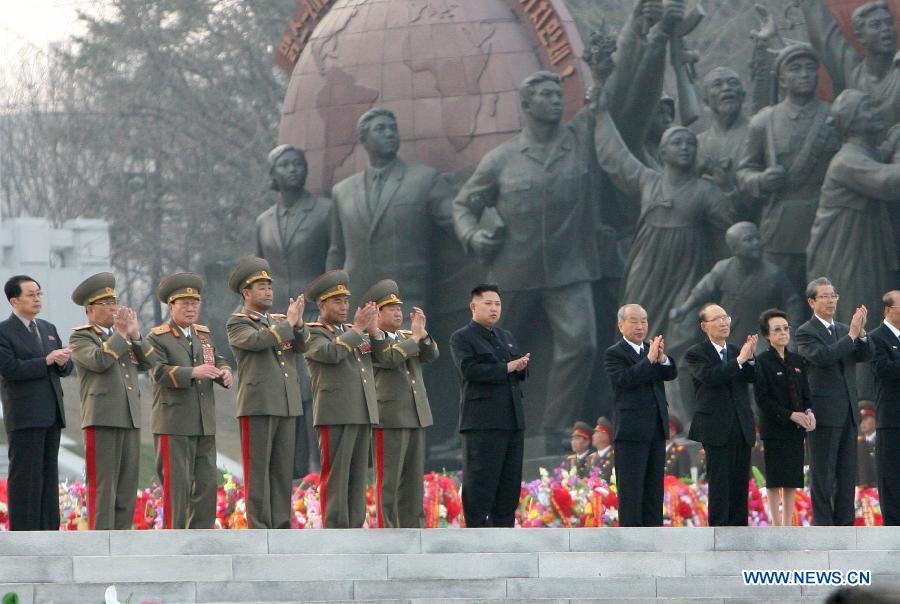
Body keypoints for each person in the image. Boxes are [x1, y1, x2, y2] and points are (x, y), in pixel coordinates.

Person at [737, 44, 840, 297]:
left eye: (810, 68)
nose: (804, 74)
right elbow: (744, 171)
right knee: (780, 298)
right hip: (779, 227)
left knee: (825, 299)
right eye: (795, 69)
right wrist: (761, 180)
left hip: (824, 221)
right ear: (782, 79)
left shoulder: (834, 116)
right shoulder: (764, 121)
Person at [255, 143, 331, 477]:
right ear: (273, 175)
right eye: (284, 165)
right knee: (287, 395)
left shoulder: (325, 211)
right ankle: (294, 473)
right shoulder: (264, 221)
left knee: (314, 393)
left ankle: (321, 469)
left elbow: (335, 259)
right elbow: (261, 272)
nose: (293, 169)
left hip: (314, 315)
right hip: (279, 321)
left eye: (298, 164)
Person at [326, 108, 452, 310]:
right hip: (357, 302)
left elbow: (457, 222)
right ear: (364, 139)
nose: (390, 133)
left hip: (407, 297)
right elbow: (337, 251)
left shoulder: (424, 180)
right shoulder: (342, 191)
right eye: (381, 129)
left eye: (393, 129)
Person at [226, 256, 308, 529]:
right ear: (246, 293)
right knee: (258, 469)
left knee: (282, 469)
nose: (268, 291)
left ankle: (281, 523)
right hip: (258, 404)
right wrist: (287, 324)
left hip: (285, 402)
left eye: (269, 286)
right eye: (260, 287)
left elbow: (301, 346)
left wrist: (297, 324)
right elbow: (258, 341)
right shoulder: (238, 322)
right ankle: (258, 525)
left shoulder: (278, 320)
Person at [146, 273, 233, 529]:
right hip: (174, 423)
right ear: (171, 306)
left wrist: (224, 371)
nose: (191, 308)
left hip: (203, 421)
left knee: (206, 484)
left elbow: (215, 360)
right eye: (184, 303)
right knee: (177, 486)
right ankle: (175, 538)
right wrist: (192, 373)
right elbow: (158, 372)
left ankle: (201, 536)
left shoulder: (203, 334)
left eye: (194, 303)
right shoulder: (157, 337)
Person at [303, 269, 387, 528]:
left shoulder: (354, 331)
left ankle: (354, 523)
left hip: (362, 410)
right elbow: (330, 354)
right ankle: (336, 525)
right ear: (321, 304)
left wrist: (374, 333)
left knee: (357, 473)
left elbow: (382, 359)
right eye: (337, 301)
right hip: (335, 411)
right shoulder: (313, 331)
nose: (344, 306)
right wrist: (359, 329)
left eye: (346, 301)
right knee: (337, 472)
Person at [70, 272, 152, 530]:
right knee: (104, 484)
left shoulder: (123, 337)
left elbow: (148, 363)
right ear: (89, 308)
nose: (112, 308)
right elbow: (100, 361)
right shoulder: (81, 337)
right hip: (102, 416)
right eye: (105, 304)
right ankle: (101, 538)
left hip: (129, 415)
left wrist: (135, 335)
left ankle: (121, 537)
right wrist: (120, 334)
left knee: (127, 484)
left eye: (113, 302)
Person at [450, 284, 529, 527]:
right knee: (481, 480)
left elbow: (517, 373)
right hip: (482, 422)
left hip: (512, 419)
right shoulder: (462, 337)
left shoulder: (506, 336)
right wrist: (507, 367)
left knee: (509, 482)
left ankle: (504, 531)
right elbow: (470, 370)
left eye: (497, 304)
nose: (494, 309)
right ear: (474, 306)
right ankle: (478, 532)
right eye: (488, 303)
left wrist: (521, 366)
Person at [795, 277, 872, 526]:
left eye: (833, 296)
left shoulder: (841, 329)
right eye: (825, 296)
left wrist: (860, 335)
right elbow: (823, 357)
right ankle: (824, 527)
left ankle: (845, 525)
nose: (831, 301)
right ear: (812, 301)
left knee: (847, 473)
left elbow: (864, 354)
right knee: (823, 474)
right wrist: (851, 335)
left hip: (849, 411)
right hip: (824, 413)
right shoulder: (806, 332)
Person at [0, 275, 73, 530]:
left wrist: (64, 361)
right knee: (26, 477)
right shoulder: (4, 331)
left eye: (39, 293)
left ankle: (49, 529)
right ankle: (25, 531)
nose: (37, 298)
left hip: (51, 412)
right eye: (30, 294)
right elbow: (10, 369)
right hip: (25, 415)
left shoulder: (48, 328)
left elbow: (64, 367)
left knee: (48, 475)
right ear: (14, 300)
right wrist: (47, 361)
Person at [363, 279, 438, 528]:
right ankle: (388, 527)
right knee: (389, 479)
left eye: (399, 308)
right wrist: (414, 340)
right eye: (391, 309)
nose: (398, 313)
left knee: (413, 478)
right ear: (378, 313)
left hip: (416, 414)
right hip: (390, 416)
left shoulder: (408, 336)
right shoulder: (373, 338)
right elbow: (388, 358)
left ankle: (413, 527)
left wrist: (423, 335)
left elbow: (431, 354)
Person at [670, 222, 806, 347]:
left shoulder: (774, 274)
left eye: (757, 238)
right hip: (730, 333)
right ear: (734, 248)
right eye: (748, 240)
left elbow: (793, 303)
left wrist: (791, 334)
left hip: (761, 336)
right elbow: (701, 292)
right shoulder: (722, 269)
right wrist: (683, 309)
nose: (756, 243)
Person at [604, 303, 677, 526]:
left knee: (654, 489)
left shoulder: (650, 349)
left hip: (656, 428)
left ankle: (654, 535)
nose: (640, 326)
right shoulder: (614, 353)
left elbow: (671, 372)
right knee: (631, 490)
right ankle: (632, 540)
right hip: (631, 431)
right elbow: (625, 380)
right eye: (634, 321)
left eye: (643, 321)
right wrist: (648, 360)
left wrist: (662, 358)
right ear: (621, 325)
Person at [686, 303, 757, 526]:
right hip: (716, 427)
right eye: (717, 319)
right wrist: (739, 361)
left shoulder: (737, 350)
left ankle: (739, 533)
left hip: (741, 425)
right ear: (704, 326)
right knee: (720, 483)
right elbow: (710, 378)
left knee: (739, 483)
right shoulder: (697, 353)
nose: (724, 322)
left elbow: (752, 378)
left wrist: (751, 359)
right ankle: (719, 532)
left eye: (725, 317)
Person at [753, 308, 816, 526]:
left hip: (796, 430)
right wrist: (790, 415)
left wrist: (809, 413)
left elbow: (806, 394)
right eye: (776, 330)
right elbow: (763, 399)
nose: (782, 333)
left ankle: (788, 523)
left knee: (792, 478)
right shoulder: (762, 361)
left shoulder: (797, 360)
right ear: (767, 335)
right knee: (775, 479)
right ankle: (776, 523)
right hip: (775, 428)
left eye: (785, 328)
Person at [870, 290, 900, 524]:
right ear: (889, 310)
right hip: (891, 419)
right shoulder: (877, 337)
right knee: (891, 474)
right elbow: (884, 369)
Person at [856, 400, 878, 489]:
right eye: (860, 420)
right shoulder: (858, 443)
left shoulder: (882, 442)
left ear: (875, 418)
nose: (862, 423)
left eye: (865, 419)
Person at [591, 417, 616, 483]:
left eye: (596, 432)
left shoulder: (614, 457)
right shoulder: (590, 458)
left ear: (606, 436)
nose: (593, 436)